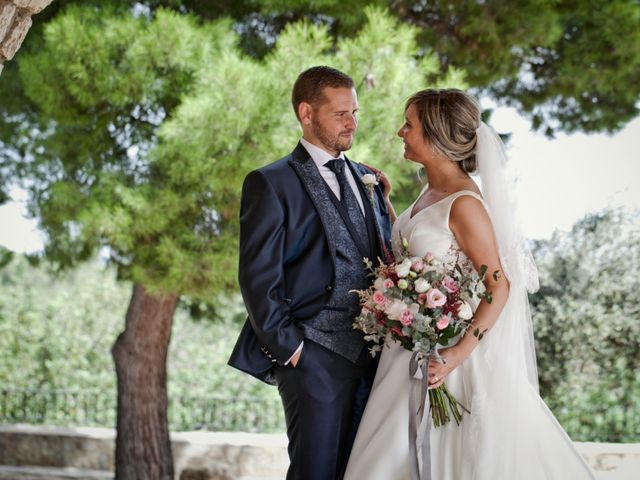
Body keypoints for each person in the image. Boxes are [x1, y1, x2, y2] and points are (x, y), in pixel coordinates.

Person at [344, 89, 596, 479]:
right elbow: (417, 250)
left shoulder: (465, 204)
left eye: (409, 125)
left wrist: (458, 354)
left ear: (436, 136)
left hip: (447, 362)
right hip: (405, 356)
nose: (400, 132)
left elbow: (499, 286)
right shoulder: (429, 194)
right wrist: (388, 205)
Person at [228, 66, 393, 480]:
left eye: (354, 112)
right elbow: (257, 276)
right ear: (307, 113)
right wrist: (292, 349)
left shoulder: (367, 179)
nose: (352, 123)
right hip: (313, 355)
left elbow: (382, 254)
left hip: (375, 357)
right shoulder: (271, 182)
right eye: (341, 114)